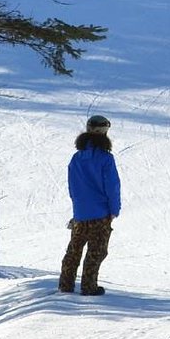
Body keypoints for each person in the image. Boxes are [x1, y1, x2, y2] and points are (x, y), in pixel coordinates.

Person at [59, 114, 122, 296]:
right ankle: (88, 286)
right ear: (104, 132)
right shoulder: (105, 159)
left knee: (74, 250)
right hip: (100, 214)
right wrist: (114, 209)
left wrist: (78, 207)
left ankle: (66, 284)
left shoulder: (76, 158)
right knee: (96, 251)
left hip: (80, 214)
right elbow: (112, 186)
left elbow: (72, 186)